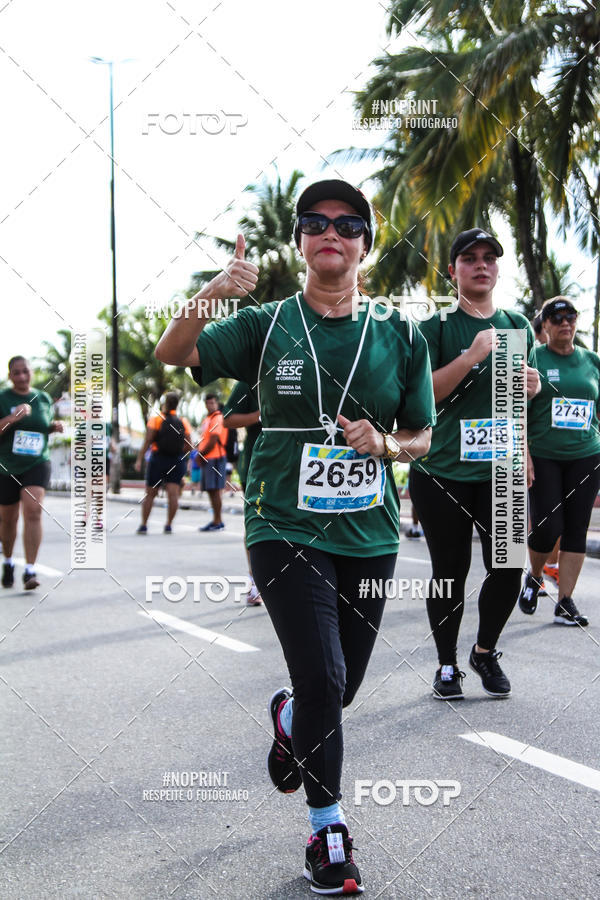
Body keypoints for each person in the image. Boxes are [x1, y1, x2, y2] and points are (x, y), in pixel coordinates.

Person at [155, 178, 435, 895]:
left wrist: (387, 444)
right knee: (326, 677)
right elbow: (171, 350)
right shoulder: (268, 322)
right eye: (315, 221)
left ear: (365, 243)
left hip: (369, 536)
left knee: (337, 691)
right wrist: (219, 287)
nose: (329, 231)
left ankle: (288, 716)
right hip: (282, 524)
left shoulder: (399, 333)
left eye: (347, 222)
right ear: (302, 241)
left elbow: (424, 437)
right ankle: (327, 830)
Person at [409, 228, 540, 701]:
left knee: (508, 566)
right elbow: (422, 397)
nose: (481, 265)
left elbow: (512, 402)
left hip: (501, 468)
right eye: (470, 258)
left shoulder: (518, 325)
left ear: (498, 268)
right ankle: (446, 665)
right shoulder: (436, 328)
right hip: (441, 469)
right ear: (453, 271)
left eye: (489, 258)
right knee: (450, 569)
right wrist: (469, 357)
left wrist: (529, 394)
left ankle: (484, 652)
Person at [518, 297, 600, 626]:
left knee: (576, 528)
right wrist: (522, 453)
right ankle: (534, 576)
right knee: (548, 525)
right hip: (544, 454)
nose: (565, 321)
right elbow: (516, 408)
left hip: (586, 455)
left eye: (571, 316)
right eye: (556, 316)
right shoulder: (532, 358)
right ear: (545, 325)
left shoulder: (592, 361)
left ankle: (565, 601)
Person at [0, 356, 63, 589]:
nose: (22, 376)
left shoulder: (43, 398)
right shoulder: (2, 398)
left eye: (25, 371)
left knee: (33, 510)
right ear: (10, 376)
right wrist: (12, 418)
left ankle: (30, 570)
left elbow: (40, 426)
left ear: (31, 372)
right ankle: (7, 562)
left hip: (37, 462)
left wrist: (51, 427)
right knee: (8, 520)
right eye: (16, 373)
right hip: (6, 465)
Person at [222, 380, 263, 605]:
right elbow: (227, 418)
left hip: (298, 467)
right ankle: (255, 582)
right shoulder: (249, 381)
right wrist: (260, 415)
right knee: (256, 526)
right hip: (258, 467)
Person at [134, 391, 191, 534]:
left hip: (158, 459)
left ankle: (144, 525)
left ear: (165, 403)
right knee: (173, 494)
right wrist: (181, 457)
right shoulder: (183, 421)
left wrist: (139, 459)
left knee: (150, 494)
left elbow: (148, 440)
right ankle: (168, 525)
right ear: (177, 404)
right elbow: (189, 446)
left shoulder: (156, 419)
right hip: (176, 460)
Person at [197, 393, 228, 532]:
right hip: (208, 458)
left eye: (212, 403)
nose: (210, 405)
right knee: (210, 490)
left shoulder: (217, 418)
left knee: (215, 490)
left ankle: (218, 520)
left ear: (217, 403)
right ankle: (216, 519)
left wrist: (201, 454)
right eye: (207, 403)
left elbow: (214, 439)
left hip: (215, 457)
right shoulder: (207, 419)